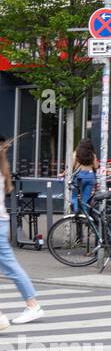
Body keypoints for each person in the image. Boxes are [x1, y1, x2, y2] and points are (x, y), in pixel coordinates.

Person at [0, 135, 44, 327]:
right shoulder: (2, 168)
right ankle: (32, 305)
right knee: (11, 266)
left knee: (12, 267)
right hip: (1, 223)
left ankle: (32, 306)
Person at [69, 139, 99, 212]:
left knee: (74, 196)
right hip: (90, 176)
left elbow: (71, 166)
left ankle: (76, 214)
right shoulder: (92, 154)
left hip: (79, 177)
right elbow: (96, 166)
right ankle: (84, 215)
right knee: (86, 197)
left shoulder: (76, 153)